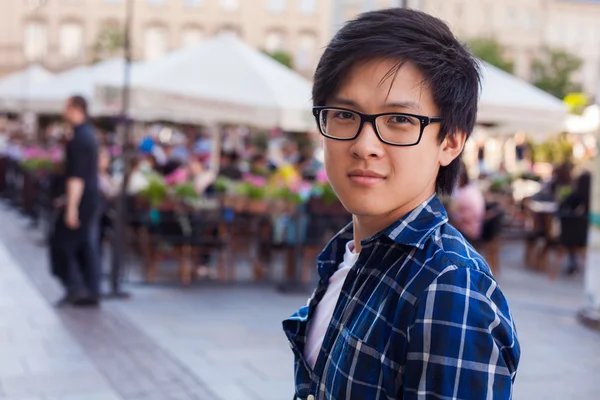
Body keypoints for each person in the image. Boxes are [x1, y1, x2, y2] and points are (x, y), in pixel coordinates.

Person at [282, 9, 520, 400]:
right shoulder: (349, 257)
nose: (364, 145)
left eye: (399, 120)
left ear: (451, 142)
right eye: (344, 114)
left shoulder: (449, 288)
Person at [55, 95, 101, 307]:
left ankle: (78, 288)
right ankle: (86, 290)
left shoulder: (81, 138)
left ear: (76, 109)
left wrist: (71, 207)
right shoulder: (87, 135)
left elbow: (77, 176)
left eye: (67, 107)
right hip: (87, 196)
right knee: (83, 245)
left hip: (82, 199)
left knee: (65, 244)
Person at [449, 162, 486, 241]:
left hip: (468, 230)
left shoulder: (462, 194)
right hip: (477, 226)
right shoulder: (472, 189)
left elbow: (452, 211)